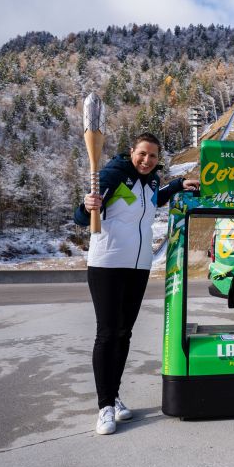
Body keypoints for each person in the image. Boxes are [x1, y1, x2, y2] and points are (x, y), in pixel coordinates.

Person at [74, 132, 199, 435]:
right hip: (107, 264)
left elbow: (155, 200)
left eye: (153, 156)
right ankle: (104, 407)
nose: (147, 160)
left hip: (139, 266)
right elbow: (82, 216)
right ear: (132, 151)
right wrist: (86, 205)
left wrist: (177, 185)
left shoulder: (151, 182)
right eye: (142, 154)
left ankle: (114, 396)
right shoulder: (112, 175)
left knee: (124, 333)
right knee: (106, 333)